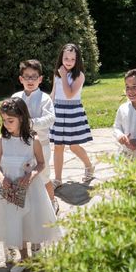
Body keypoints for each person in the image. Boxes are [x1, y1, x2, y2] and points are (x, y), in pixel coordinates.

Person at [0, 98, 62, 272]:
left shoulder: (33, 140)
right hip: (9, 187)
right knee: (15, 221)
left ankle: (37, 251)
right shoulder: (2, 140)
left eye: (10, 120)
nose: (7, 124)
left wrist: (31, 175)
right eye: (4, 120)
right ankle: (23, 257)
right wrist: (1, 177)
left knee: (31, 219)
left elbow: (41, 163)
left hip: (30, 188)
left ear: (21, 118)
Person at [12, 59, 58, 217]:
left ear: (40, 79)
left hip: (41, 145)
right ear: (21, 79)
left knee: (43, 175)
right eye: (27, 76)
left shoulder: (45, 98)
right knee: (24, 175)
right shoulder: (16, 97)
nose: (30, 80)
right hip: (21, 145)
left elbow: (50, 118)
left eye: (34, 77)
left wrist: (29, 123)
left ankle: (52, 202)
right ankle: (29, 205)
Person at [49, 43, 95, 186]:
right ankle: (57, 179)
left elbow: (69, 94)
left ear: (77, 60)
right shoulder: (57, 73)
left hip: (72, 113)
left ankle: (89, 166)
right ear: (61, 58)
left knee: (74, 146)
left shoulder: (79, 76)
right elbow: (53, 93)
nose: (68, 62)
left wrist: (63, 76)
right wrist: (48, 107)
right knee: (58, 146)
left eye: (72, 59)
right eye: (66, 58)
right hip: (58, 112)